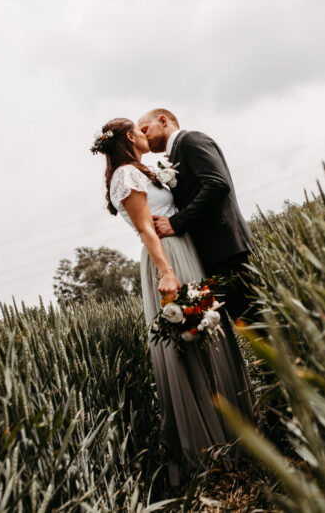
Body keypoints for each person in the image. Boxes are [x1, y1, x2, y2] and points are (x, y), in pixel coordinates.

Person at [92, 117, 255, 487]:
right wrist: (166, 271)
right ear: (131, 136)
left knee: (209, 332)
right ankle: (208, 446)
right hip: (168, 256)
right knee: (191, 340)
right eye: (140, 129)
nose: (146, 135)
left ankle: (237, 433)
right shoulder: (124, 176)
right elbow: (147, 228)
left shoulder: (142, 170)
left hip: (186, 250)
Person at [137, 109, 256, 323]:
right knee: (247, 327)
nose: (143, 137)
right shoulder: (174, 154)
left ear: (163, 120)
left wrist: (176, 223)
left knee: (259, 325)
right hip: (212, 257)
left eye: (144, 130)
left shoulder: (190, 140)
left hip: (229, 252)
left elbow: (217, 185)